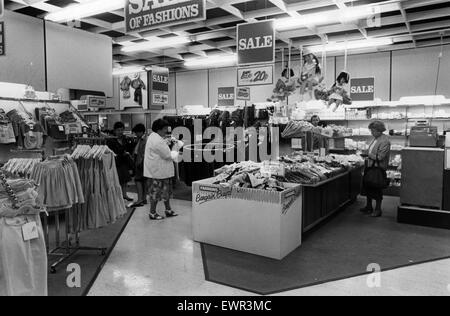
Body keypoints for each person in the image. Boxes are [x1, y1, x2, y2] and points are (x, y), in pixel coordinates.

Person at [144, 119, 179, 221]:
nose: (166, 131)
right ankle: (152, 213)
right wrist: (176, 151)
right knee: (155, 193)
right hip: (157, 172)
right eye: (164, 129)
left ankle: (168, 210)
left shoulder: (155, 137)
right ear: (159, 129)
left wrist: (167, 142)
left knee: (166, 192)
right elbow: (168, 155)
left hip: (161, 172)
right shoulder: (157, 141)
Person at [361, 121, 391, 218]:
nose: (371, 132)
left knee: (377, 188)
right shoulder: (376, 138)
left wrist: (368, 154)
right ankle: (369, 206)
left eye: (373, 130)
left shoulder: (385, 141)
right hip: (371, 166)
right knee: (369, 186)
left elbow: (381, 157)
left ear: (379, 130)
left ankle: (378, 210)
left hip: (378, 168)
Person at [107, 122, 134, 202]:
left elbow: (128, 148)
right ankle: (118, 197)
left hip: (124, 162)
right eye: (118, 130)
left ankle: (124, 195)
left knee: (125, 180)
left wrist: (127, 153)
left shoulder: (125, 139)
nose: (120, 132)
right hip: (116, 162)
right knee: (117, 180)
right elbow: (111, 152)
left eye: (122, 130)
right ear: (115, 131)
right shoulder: (111, 140)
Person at [131, 124, 148, 208]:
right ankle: (143, 198)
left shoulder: (144, 140)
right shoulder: (141, 139)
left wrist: (139, 164)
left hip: (141, 163)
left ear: (140, 132)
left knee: (138, 180)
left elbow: (143, 153)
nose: (135, 134)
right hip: (143, 163)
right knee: (144, 181)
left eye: (136, 133)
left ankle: (140, 199)